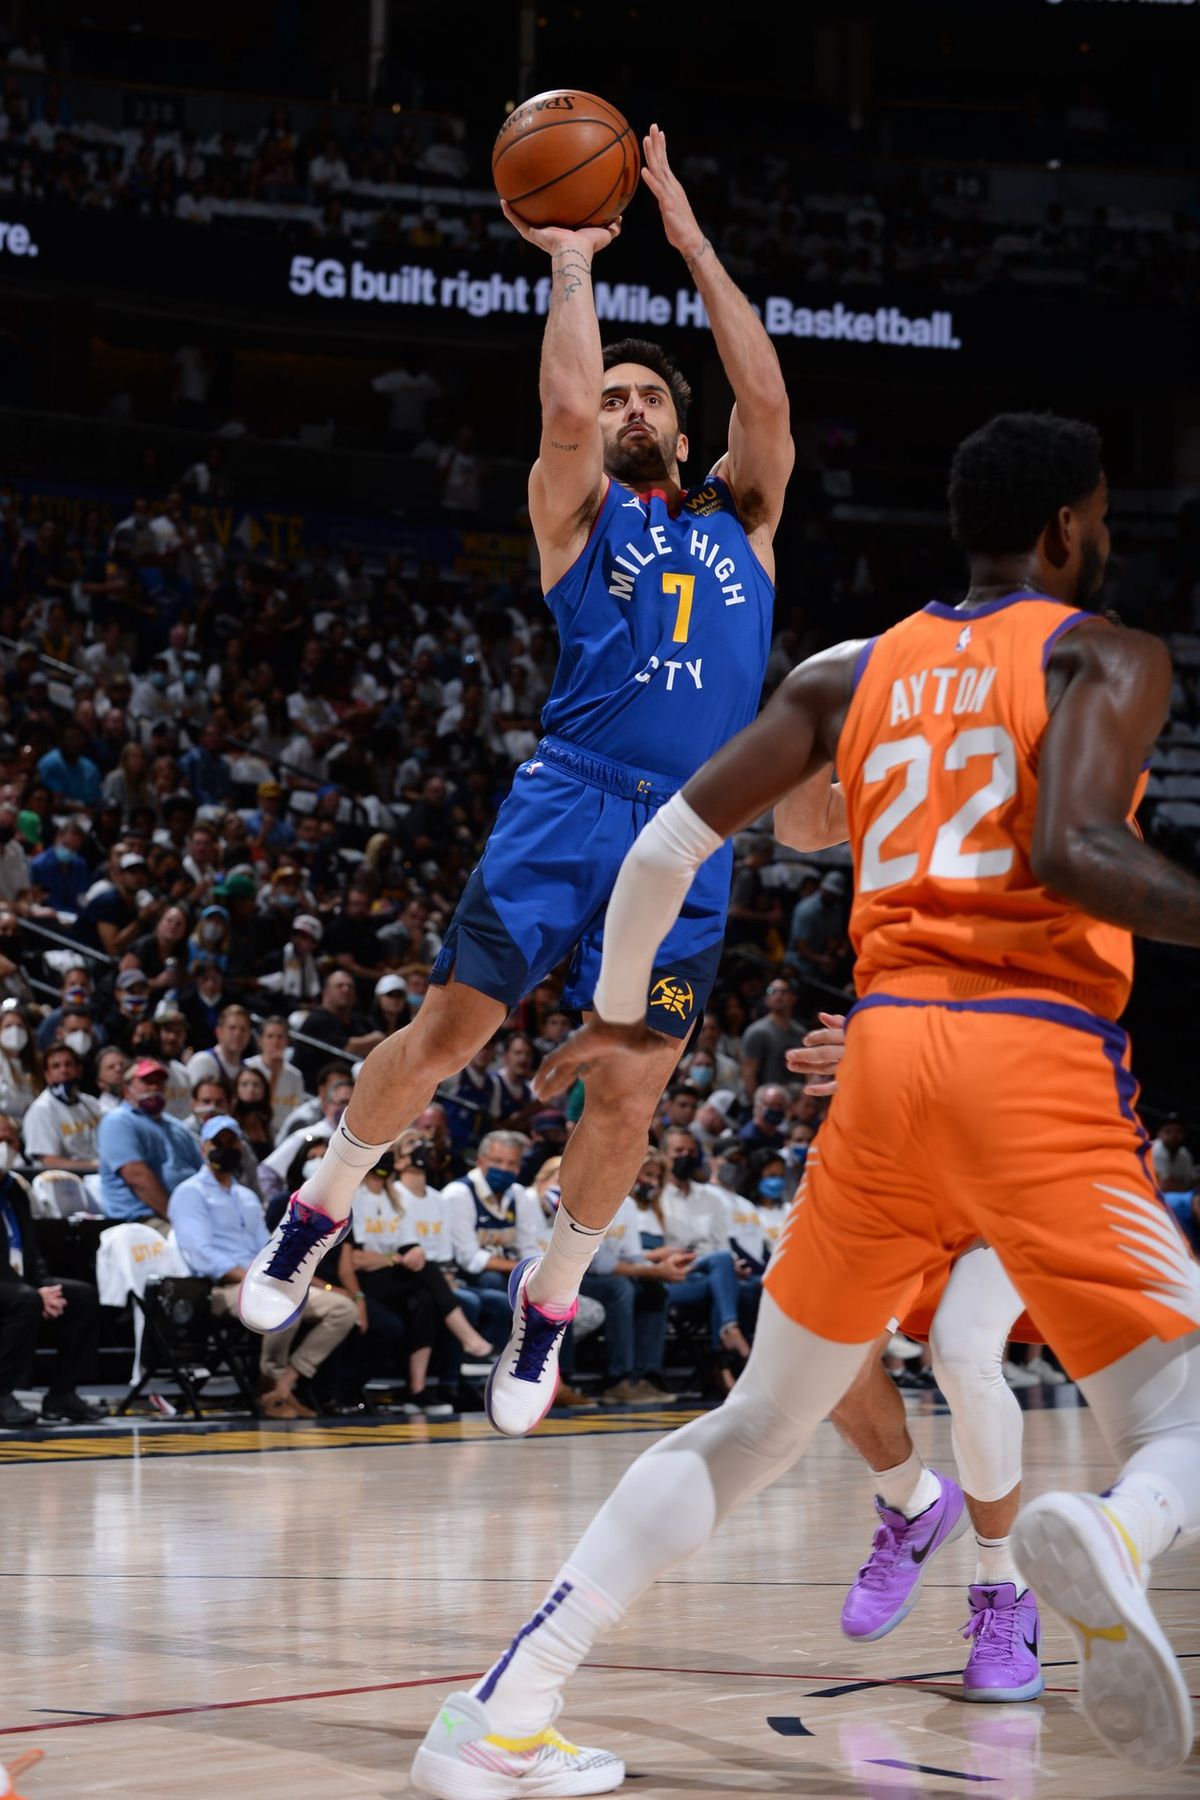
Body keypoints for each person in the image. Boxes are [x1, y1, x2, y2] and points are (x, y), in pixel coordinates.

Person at [412, 411, 1200, 1791]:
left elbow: (666, 844)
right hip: (1035, 1058)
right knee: (1181, 1413)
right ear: (1073, 527)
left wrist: (617, 1011)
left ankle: (500, 1712)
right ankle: (1117, 1537)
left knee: (759, 1424)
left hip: (886, 1062)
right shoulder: (1108, 651)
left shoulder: (852, 671)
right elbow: (1077, 853)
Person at [238, 124, 793, 1451]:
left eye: (650, 396)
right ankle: (320, 1204)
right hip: (572, 797)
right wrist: (570, 260)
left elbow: (766, 404)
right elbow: (560, 412)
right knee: (449, 1037)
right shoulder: (578, 514)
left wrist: (686, 230)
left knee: (634, 1088)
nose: (631, 408)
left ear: (681, 422)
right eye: (616, 398)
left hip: (690, 831)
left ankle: (552, 1299)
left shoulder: (743, 525)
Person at [169, 1115, 356, 1419]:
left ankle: (283, 1385)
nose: (226, 1148)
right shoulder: (189, 1192)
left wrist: (310, 1281)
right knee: (280, 1302)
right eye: (219, 1142)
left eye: (233, 1142)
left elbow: (269, 1247)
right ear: (204, 1147)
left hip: (259, 1278)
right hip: (219, 1288)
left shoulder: (246, 1196)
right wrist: (260, 1280)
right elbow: (201, 1254)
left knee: (342, 1308)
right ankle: (269, 1384)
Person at [0, 1162, 105, 1426]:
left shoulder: (14, 1189)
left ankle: (63, 1393)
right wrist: (38, 1292)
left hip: (18, 1280)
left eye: (8, 1140)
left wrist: (46, 1285)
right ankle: (2, 1394)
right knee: (26, 1299)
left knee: (83, 1297)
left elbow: (31, 1248)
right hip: (8, 1282)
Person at [97, 1056, 201, 1224]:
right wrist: (177, 1220)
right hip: (146, 1218)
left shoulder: (178, 1127)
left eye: (159, 1082)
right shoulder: (118, 1121)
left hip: (192, 1215)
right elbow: (137, 1178)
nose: (154, 1087)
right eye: (146, 1081)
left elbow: (203, 1172)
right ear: (127, 1088)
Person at [21, 1044, 103, 1176]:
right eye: (56, 1066)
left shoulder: (92, 1103)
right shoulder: (40, 1110)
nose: (63, 1070)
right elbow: (49, 1162)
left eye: (68, 1064)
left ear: (78, 1070)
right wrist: (94, 1166)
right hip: (63, 1181)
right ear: (47, 1075)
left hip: (100, 1174)